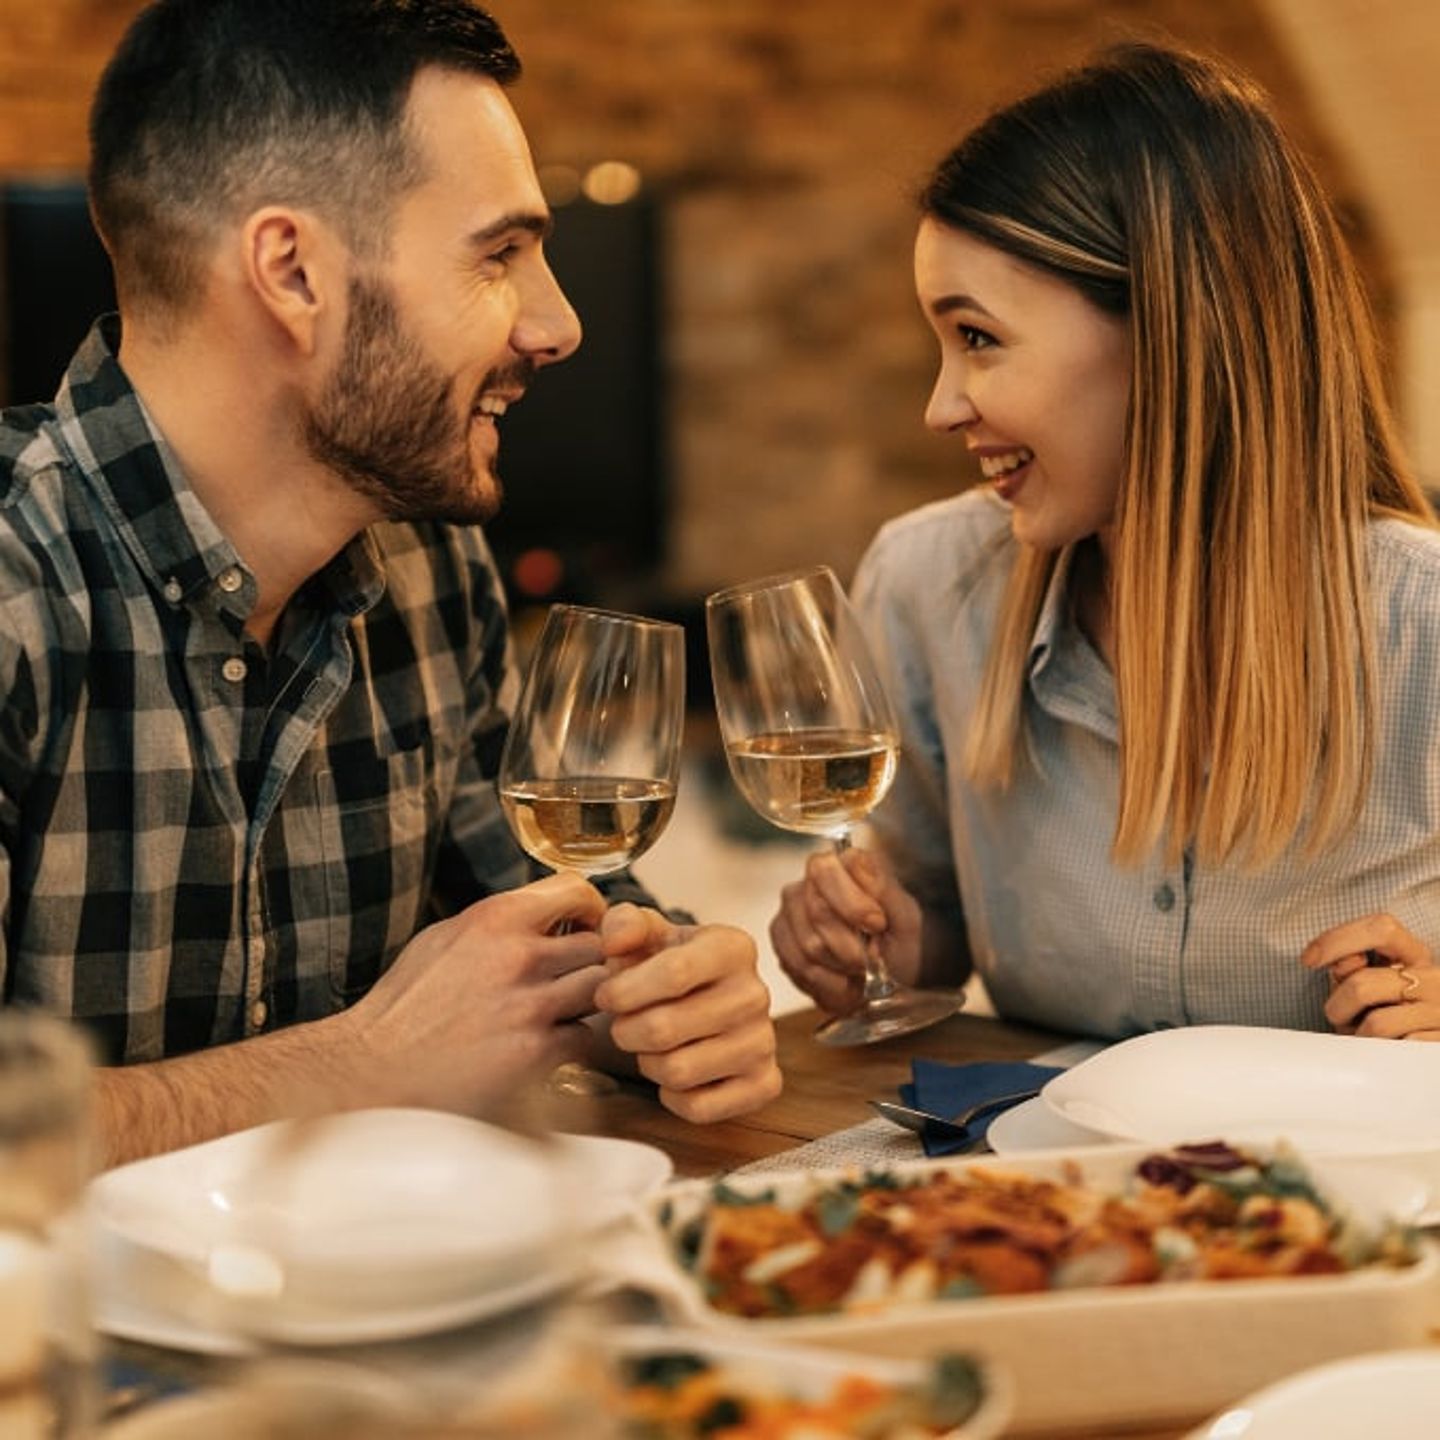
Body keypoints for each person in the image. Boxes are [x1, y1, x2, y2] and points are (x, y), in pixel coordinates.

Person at [0, 0, 781, 1168]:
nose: (558, 324)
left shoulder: (431, 570)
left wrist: (662, 997)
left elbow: (554, 930)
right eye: (500, 255)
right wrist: (356, 1066)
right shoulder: (18, 585)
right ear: (293, 270)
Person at [769, 42, 1440, 1044]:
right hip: (1057, 1192)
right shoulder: (923, 585)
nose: (941, 406)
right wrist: (869, 941)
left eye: (979, 337)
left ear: (1171, 332)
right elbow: (932, 929)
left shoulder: (1420, 622)